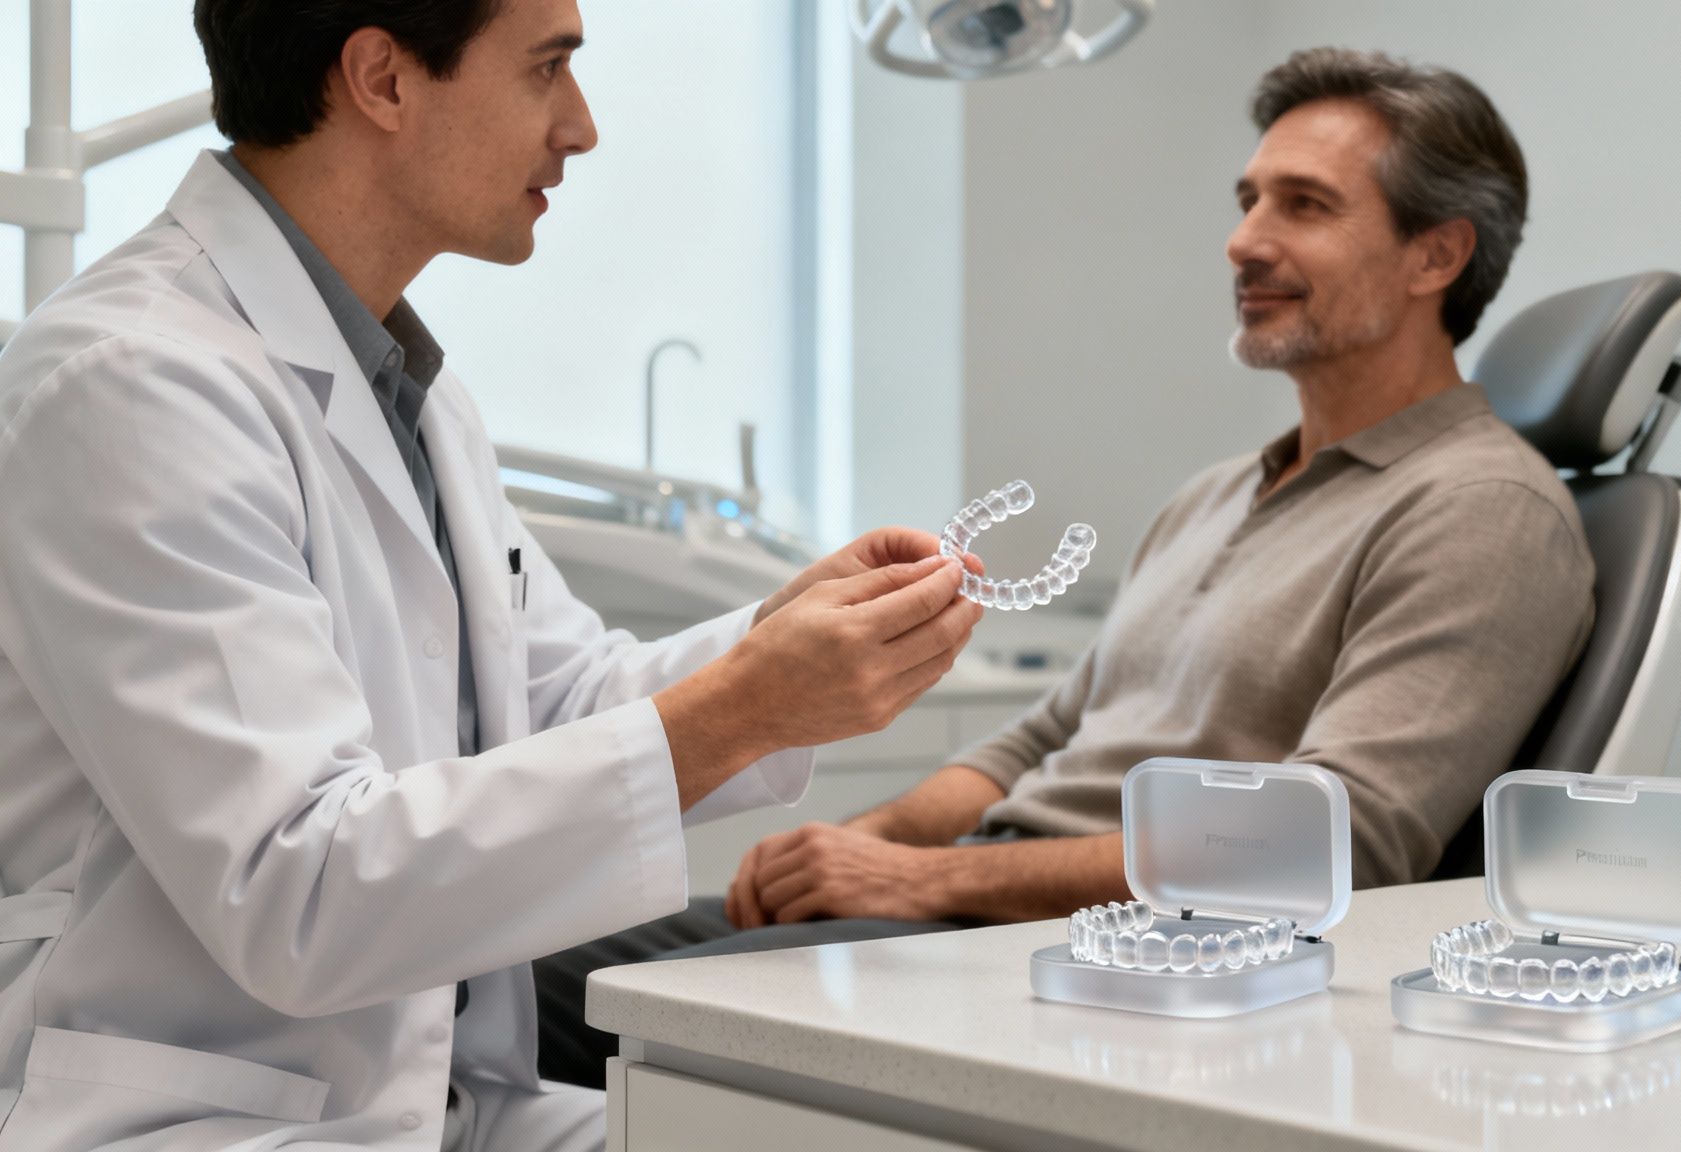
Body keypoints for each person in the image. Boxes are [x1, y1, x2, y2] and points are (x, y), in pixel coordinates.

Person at [0, 1, 980, 1148]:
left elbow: (556, 705)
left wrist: (775, 643)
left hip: (440, 1100)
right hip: (203, 1114)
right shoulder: (132, 388)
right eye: (547, 69)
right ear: (382, 80)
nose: (582, 126)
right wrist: (748, 704)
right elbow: (299, 890)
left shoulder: (407, 388)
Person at [532, 45, 1598, 1088]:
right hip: (974, 907)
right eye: (1246, 198)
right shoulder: (1220, 492)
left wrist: (918, 878)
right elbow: (1048, 736)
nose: (1241, 241)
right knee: (502, 979)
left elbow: (1326, 847)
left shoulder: (1478, 510)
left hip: (1106, 966)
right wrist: (867, 837)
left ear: (1435, 256)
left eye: (1302, 206)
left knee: (585, 1026)